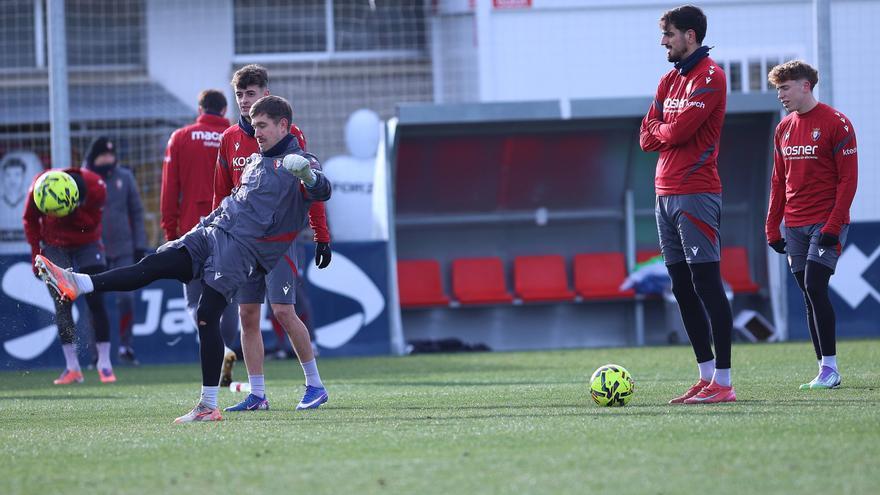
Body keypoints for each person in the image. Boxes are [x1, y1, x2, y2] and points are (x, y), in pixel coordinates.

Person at [35, 95, 331, 423]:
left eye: (262, 126)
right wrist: (192, 228)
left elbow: (322, 191)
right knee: (154, 265)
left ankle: (210, 404)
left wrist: (310, 177)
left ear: (283, 126)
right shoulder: (255, 159)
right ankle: (78, 283)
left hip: (240, 251)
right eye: (253, 125)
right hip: (211, 230)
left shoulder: (299, 162)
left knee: (208, 315)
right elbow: (233, 199)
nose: (256, 132)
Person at [215, 65, 331, 412]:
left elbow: (309, 185)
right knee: (247, 315)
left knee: (282, 310)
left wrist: (321, 234)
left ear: (265, 94)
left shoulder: (287, 133)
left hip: (279, 240)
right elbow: (221, 194)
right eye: (239, 95)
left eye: (250, 94)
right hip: (243, 242)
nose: (244, 101)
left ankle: (315, 385)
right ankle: (257, 395)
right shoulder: (229, 139)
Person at [639, 5, 735, 404]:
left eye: (669, 34)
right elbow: (646, 137)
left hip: (696, 192)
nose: (663, 41)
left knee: (706, 284)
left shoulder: (711, 77)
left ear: (690, 36)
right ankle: (705, 375)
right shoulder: (668, 79)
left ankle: (725, 384)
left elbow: (676, 132)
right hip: (663, 193)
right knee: (680, 286)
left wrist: (662, 130)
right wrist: (663, 131)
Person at [765, 60, 858, 390]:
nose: (780, 95)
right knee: (808, 293)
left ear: (806, 86)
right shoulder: (783, 128)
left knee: (816, 287)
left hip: (825, 222)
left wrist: (834, 224)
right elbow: (778, 180)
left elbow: (848, 180)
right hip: (795, 225)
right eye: (778, 89)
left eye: (785, 88)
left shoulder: (837, 124)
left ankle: (831, 368)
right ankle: (823, 369)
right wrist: (772, 226)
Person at [161, 89, 241, 384]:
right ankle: (229, 349)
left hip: (191, 228)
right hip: (231, 227)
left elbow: (170, 188)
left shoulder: (181, 137)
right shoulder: (236, 136)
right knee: (228, 295)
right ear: (223, 109)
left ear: (200, 108)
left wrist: (171, 230)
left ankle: (217, 353)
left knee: (195, 299)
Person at [23, 163, 116, 384]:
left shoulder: (97, 188)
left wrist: (72, 212)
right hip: (55, 244)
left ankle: (104, 363)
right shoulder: (40, 187)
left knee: (96, 300)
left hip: (88, 242)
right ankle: (72, 367)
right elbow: (29, 220)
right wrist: (37, 254)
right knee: (61, 302)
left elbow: (91, 225)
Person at [84, 137, 148, 365]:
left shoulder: (125, 177)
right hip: (93, 249)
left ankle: (125, 346)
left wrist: (140, 244)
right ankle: (97, 354)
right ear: (94, 157)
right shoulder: (84, 179)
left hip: (123, 248)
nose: (109, 160)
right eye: (104, 156)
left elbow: (137, 212)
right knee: (95, 303)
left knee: (126, 299)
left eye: (111, 156)